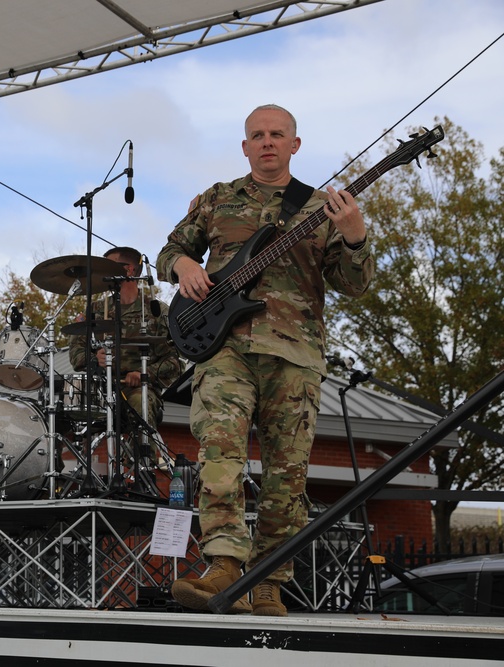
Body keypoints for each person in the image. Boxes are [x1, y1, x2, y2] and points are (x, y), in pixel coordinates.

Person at [156, 104, 373, 616]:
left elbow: (354, 285)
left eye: (278, 134)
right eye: (258, 135)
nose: (268, 142)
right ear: (246, 146)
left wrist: (357, 234)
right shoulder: (216, 200)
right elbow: (169, 251)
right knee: (220, 454)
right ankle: (224, 568)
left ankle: (270, 581)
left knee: (287, 474)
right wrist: (185, 262)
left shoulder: (325, 208)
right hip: (224, 349)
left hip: (295, 355)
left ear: (295, 145)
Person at [69, 246, 184, 462]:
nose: (101, 273)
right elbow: (76, 354)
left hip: (140, 390)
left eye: (108, 267)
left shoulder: (157, 311)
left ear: (130, 270)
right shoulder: (94, 310)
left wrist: (144, 374)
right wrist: (95, 359)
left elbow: (176, 362)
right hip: (100, 391)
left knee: (140, 401)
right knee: (59, 406)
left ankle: (142, 469)